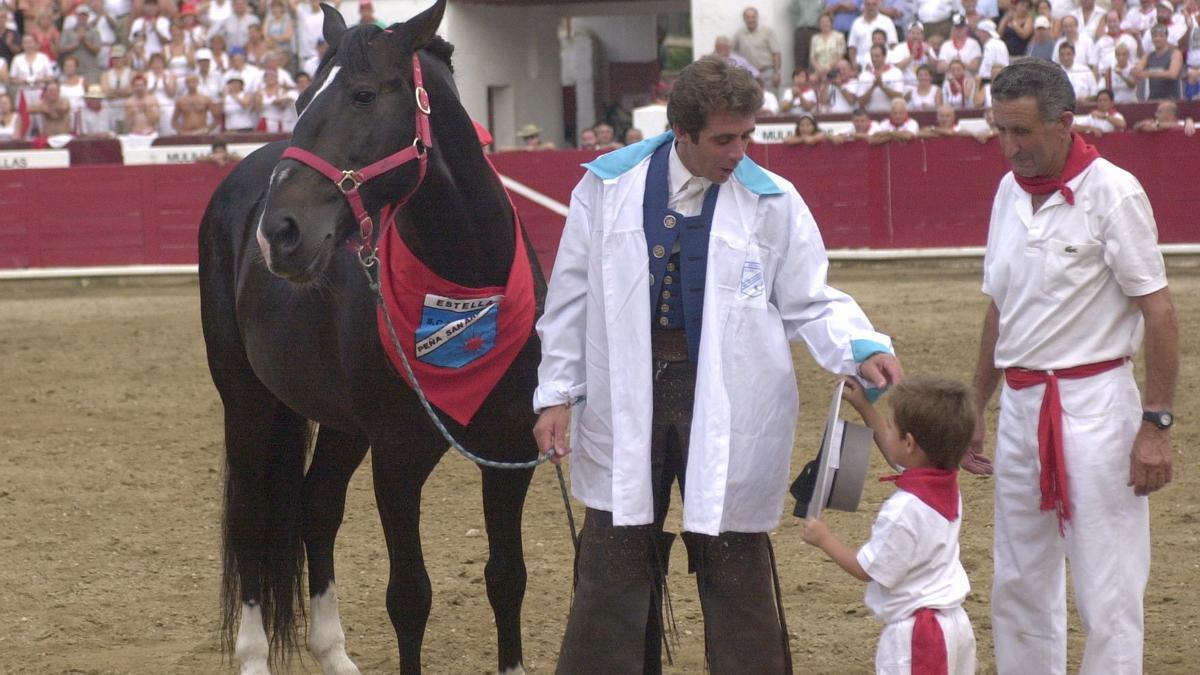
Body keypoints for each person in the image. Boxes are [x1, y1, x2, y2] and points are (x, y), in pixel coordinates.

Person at [534, 54, 903, 675]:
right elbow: (570, 301)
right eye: (724, 140)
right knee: (615, 548)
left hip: (730, 398)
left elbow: (810, 299)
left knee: (734, 551)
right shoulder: (606, 187)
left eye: (747, 136)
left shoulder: (774, 200)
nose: (740, 152)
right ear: (682, 132)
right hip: (624, 393)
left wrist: (860, 345)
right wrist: (555, 394)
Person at [971, 57, 1178, 674]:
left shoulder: (1113, 191)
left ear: (1064, 124)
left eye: (1022, 131)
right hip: (1020, 407)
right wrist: (976, 403)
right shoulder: (1007, 192)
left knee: (1107, 583)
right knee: (1017, 578)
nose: (1010, 146)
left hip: (1096, 408)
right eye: (1001, 130)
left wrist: (1155, 423)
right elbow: (1000, 308)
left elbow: (1160, 313)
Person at [803, 376, 977, 675]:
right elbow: (899, 452)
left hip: (918, 636)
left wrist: (824, 539)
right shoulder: (944, 481)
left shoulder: (903, 510)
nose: (886, 430)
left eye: (890, 426)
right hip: (955, 624)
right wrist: (863, 406)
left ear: (909, 443)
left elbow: (867, 569)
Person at [733, 6, 782, 89]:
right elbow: (729, 49)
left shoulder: (768, 32)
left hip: (767, 73)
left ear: (757, 17)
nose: (751, 20)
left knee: (770, 96)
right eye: (748, 17)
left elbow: (776, 53)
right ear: (744, 19)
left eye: (753, 17)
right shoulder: (739, 34)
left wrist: (776, 73)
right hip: (749, 75)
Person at [1135, 23, 1183, 99]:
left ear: (1166, 37)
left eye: (1161, 36)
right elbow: (1137, 70)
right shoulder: (1149, 56)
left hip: (1171, 99)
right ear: (1152, 38)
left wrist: (1147, 73)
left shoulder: (1175, 53)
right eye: (1155, 36)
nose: (1158, 39)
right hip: (1153, 99)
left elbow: (1173, 74)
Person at [858, 43, 908, 112]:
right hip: (871, 115)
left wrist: (882, 86)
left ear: (884, 56)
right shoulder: (864, 75)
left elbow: (899, 97)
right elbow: (860, 101)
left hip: (890, 114)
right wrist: (873, 86)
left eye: (877, 56)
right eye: (872, 56)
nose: (874, 59)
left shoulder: (895, 72)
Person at [850, 0, 899, 66]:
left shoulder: (887, 21)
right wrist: (854, 65)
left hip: (883, 64)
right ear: (864, 5)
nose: (871, 7)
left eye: (874, 4)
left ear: (879, 5)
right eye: (868, 4)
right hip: (861, 64)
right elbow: (852, 47)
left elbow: (893, 45)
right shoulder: (857, 23)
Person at [889, 20, 934, 88]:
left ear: (923, 36)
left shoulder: (927, 47)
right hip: (905, 86)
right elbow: (897, 68)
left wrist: (929, 56)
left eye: (918, 33)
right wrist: (912, 56)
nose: (915, 36)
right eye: (912, 33)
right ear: (908, 35)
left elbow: (934, 69)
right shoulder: (899, 48)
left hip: (924, 85)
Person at [788, 0, 825, 71]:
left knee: (816, 58)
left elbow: (824, 15)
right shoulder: (799, 1)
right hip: (801, 31)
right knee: (800, 59)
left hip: (815, 31)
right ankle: (800, 77)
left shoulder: (820, 2)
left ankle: (814, 76)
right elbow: (791, 10)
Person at [1133, 98, 1198, 132]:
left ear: (1170, 114)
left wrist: (1158, 125)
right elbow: (1135, 128)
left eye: (1159, 112)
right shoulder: (1153, 124)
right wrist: (1142, 124)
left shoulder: (1185, 124)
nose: (1156, 115)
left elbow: (1178, 126)